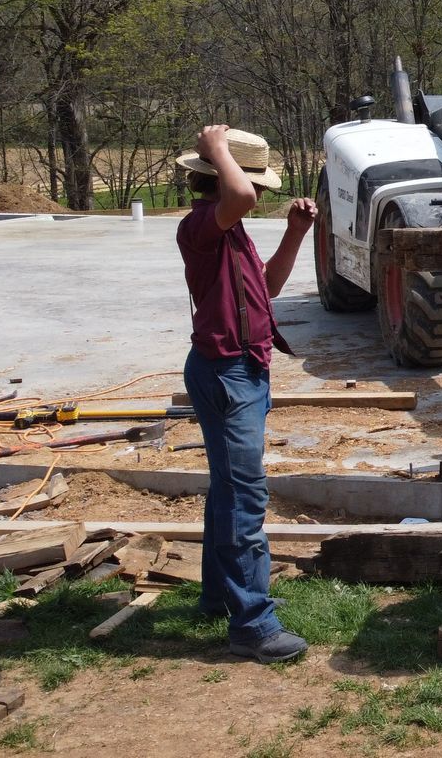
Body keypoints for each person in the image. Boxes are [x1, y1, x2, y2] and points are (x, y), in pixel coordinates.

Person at [174, 125, 314, 663]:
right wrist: (216, 149)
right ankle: (252, 624)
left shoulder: (232, 234)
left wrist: (295, 233)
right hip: (227, 374)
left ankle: (217, 598)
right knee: (245, 498)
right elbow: (238, 195)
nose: (258, 196)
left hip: (242, 370)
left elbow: (268, 287)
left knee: (228, 491)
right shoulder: (199, 227)